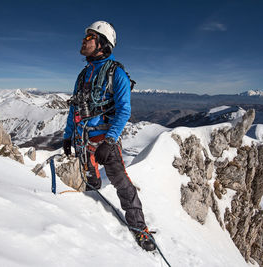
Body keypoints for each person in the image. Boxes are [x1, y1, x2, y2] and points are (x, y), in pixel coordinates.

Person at [62, 21, 155, 251]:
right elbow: (75, 108)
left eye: (89, 37)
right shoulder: (83, 75)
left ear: (102, 43)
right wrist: (68, 135)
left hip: (105, 140)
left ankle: (139, 228)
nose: (84, 41)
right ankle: (92, 215)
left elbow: (124, 110)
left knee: (121, 182)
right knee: (89, 178)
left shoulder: (117, 74)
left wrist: (110, 140)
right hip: (83, 139)